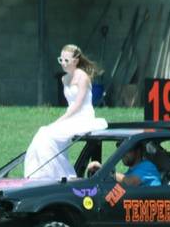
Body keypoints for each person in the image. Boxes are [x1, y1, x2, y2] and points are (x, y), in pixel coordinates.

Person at [24, 45, 107, 180]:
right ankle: (39, 174)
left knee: (48, 133)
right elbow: (70, 105)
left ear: (75, 61)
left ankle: (65, 175)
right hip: (70, 118)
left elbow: (78, 105)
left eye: (66, 60)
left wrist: (60, 120)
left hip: (83, 118)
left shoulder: (82, 77)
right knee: (42, 133)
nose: (63, 63)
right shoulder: (64, 79)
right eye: (61, 60)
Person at [86, 142, 162, 187]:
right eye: (122, 150)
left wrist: (103, 169)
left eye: (127, 150)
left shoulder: (148, 166)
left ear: (138, 151)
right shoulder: (129, 173)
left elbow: (130, 182)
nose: (123, 154)